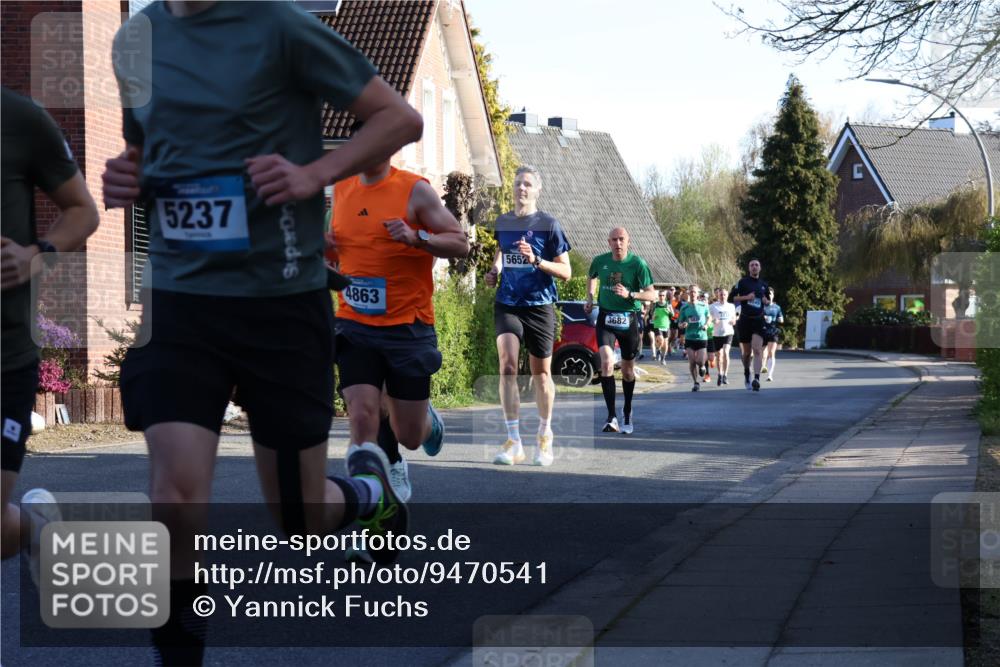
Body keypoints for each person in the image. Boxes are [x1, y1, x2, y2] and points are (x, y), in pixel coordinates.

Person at [102, 2, 423, 663]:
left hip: (279, 302)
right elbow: (145, 150)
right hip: (180, 300)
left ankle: (369, 495)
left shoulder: (281, 26)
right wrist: (126, 172)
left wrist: (314, 174)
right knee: (175, 492)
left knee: (300, 518)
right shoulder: (134, 39)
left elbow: (401, 118)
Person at [327, 147, 469, 504]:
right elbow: (341, 253)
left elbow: (460, 242)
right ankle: (371, 507)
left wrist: (417, 238)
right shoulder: (341, 189)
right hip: (353, 323)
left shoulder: (414, 189)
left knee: (409, 434)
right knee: (362, 415)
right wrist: (324, 251)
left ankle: (426, 423)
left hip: (408, 326)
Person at [1, 86, 100, 578]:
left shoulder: (19, 118)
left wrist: (37, 254)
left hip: (5, 354)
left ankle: (36, 529)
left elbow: (84, 210)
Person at [485, 165, 571, 467]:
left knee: (541, 375)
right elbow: (501, 251)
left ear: (537, 190)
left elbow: (566, 271)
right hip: (508, 303)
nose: (522, 188)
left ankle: (545, 435)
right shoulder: (504, 222)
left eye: (528, 184)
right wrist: (496, 270)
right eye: (518, 183)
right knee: (507, 366)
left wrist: (536, 260)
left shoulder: (549, 224)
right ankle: (513, 442)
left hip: (540, 306)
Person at [585, 227, 656, 434]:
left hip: (629, 320)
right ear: (608, 242)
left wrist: (630, 294)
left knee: (627, 371)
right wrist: (590, 297)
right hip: (606, 317)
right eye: (614, 240)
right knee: (606, 362)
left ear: (628, 241)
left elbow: (652, 295)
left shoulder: (638, 264)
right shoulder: (600, 260)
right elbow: (592, 276)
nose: (618, 243)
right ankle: (611, 417)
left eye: (621, 239)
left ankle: (627, 410)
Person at [728, 259, 769, 392]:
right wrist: (746, 298)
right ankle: (747, 372)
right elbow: (731, 298)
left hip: (758, 320)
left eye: (757, 265)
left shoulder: (764, 285)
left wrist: (765, 301)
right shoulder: (742, 282)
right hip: (745, 320)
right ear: (749, 268)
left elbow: (768, 301)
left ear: (760, 268)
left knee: (757, 350)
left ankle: (756, 379)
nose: (754, 267)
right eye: (752, 265)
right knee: (746, 353)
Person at [678, 284, 711, 391]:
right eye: (691, 292)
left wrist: (706, 325)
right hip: (689, 337)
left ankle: (702, 367)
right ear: (688, 293)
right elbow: (680, 322)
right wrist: (682, 325)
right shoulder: (684, 307)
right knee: (692, 361)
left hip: (701, 336)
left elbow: (709, 317)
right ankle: (696, 383)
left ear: (697, 294)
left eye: (694, 292)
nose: (692, 294)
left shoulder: (703, 305)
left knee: (700, 361)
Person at [709, 286, 736, 385]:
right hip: (717, 333)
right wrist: (713, 320)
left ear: (727, 295)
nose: (722, 296)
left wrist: (733, 321)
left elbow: (734, 317)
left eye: (724, 294)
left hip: (728, 332)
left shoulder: (731, 306)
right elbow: (708, 317)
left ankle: (725, 375)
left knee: (725, 352)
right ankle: (719, 374)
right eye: (721, 294)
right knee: (719, 355)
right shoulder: (712, 306)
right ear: (718, 295)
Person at [760, 288, 785, 381]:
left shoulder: (777, 307)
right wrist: (764, 317)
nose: (769, 296)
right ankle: (763, 366)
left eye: (770, 294)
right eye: (767, 294)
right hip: (762, 331)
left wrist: (780, 319)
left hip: (773, 331)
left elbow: (781, 318)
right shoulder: (761, 307)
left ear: (773, 295)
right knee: (762, 353)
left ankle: (770, 375)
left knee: (771, 353)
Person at [650, 290, 673, 363]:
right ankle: (659, 349)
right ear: (658, 296)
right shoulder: (655, 304)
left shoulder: (668, 304)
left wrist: (669, 312)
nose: (661, 297)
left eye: (663, 295)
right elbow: (651, 315)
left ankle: (663, 358)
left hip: (666, 325)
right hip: (657, 325)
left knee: (665, 343)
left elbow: (672, 314)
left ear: (665, 296)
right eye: (660, 295)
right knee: (661, 339)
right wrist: (654, 316)